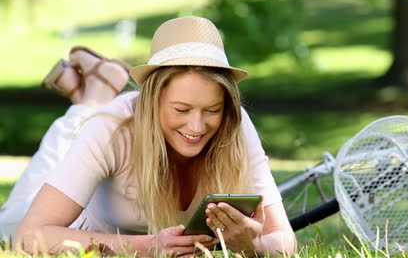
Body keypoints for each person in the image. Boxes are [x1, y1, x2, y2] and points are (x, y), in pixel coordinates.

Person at [1, 16, 296, 256]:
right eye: (181, 109)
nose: (197, 126)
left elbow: (285, 240)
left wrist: (254, 246)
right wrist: (147, 247)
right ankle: (91, 99)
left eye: (212, 110)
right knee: (12, 217)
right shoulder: (113, 126)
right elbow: (30, 237)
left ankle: (91, 94)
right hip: (68, 224)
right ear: (151, 100)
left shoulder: (237, 126)